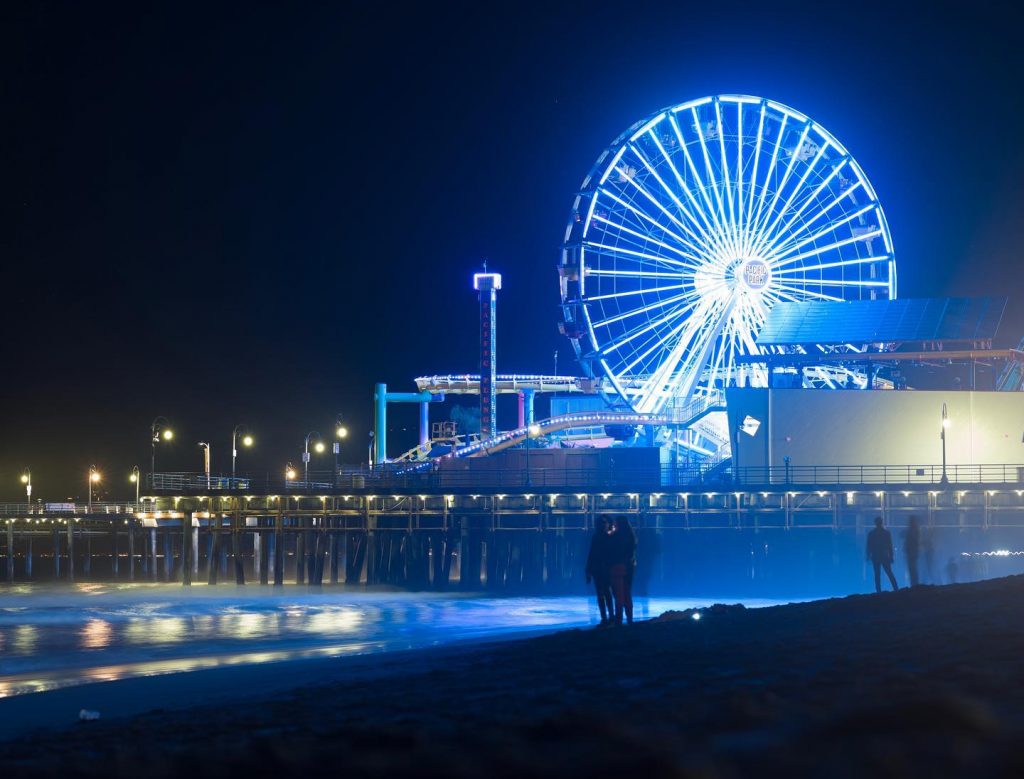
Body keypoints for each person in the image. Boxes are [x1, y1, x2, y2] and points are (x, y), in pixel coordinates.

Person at [608, 516, 637, 624]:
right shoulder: (631, 536)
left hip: (617, 566)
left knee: (618, 594)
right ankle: (629, 617)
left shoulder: (615, 536)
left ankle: (619, 618)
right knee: (627, 593)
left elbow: (611, 551)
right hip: (629, 567)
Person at [585, 517, 614, 625]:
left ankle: (606, 616)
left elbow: (591, 554)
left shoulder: (597, 537)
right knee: (606, 593)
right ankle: (609, 616)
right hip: (603, 569)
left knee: (602, 593)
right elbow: (592, 554)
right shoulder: (606, 537)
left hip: (599, 569)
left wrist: (588, 571)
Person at [866, 516, 899, 593]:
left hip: (876, 556)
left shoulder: (871, 533)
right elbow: (889, 545)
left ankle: (878, 591)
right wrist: (891, 556)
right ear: (881, 522)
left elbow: (869, 545)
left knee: (877, 575)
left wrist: (868, 555)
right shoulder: (886, 533)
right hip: (884, 556)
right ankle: (896, 589)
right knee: (889, 573)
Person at [904, 516, 921, 587]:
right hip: (913, 551)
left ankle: (914, 584)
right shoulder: (915, 530)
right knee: (912, 568)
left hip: (911, 552)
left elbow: (912, 541)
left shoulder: (912, 531)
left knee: (912, 568)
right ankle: (914, 584)